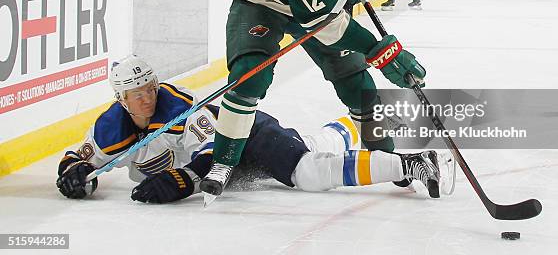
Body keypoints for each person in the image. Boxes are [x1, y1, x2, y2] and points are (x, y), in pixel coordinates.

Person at [199, 0, 427, 199]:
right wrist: (379, 50)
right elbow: (324, 25)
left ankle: (386, 159)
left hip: (318, 5)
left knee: (356, 83)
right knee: (250, 76)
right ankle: (222, 162)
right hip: (262, 2)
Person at [56, 56, 452, 203]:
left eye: (149, 89)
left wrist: (185, 181)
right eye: (135, 94)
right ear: (121, 99)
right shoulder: (111, 127)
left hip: (248, 136)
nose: (146, 98)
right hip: (241, 167)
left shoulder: (182, 109)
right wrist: (75, 177)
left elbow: (217, 155)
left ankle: (413, 165)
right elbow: (84, 159)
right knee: (316, 143)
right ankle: (357, 121)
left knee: (310, 174)